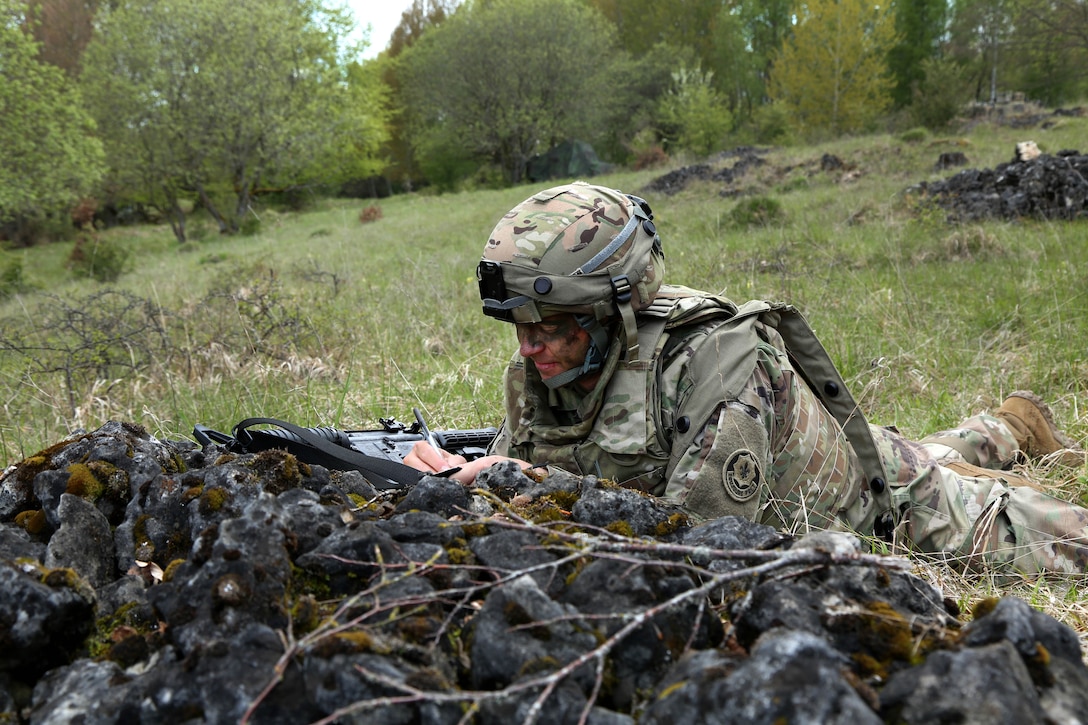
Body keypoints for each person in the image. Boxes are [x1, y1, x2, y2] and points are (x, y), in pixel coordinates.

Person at [405, 181, 1088, 575]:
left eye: (553, 323)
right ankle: (1008, 426)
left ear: (613, 308)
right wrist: (471, 477)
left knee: (1049, 536)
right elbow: (526, 487)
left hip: (887, 508)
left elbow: (699, 542)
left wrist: (524, 487)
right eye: (519, 324)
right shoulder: (542, 368)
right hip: (819, 457)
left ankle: (1000, 441)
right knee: (920, 448)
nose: (531, 347)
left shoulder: (717, 360)